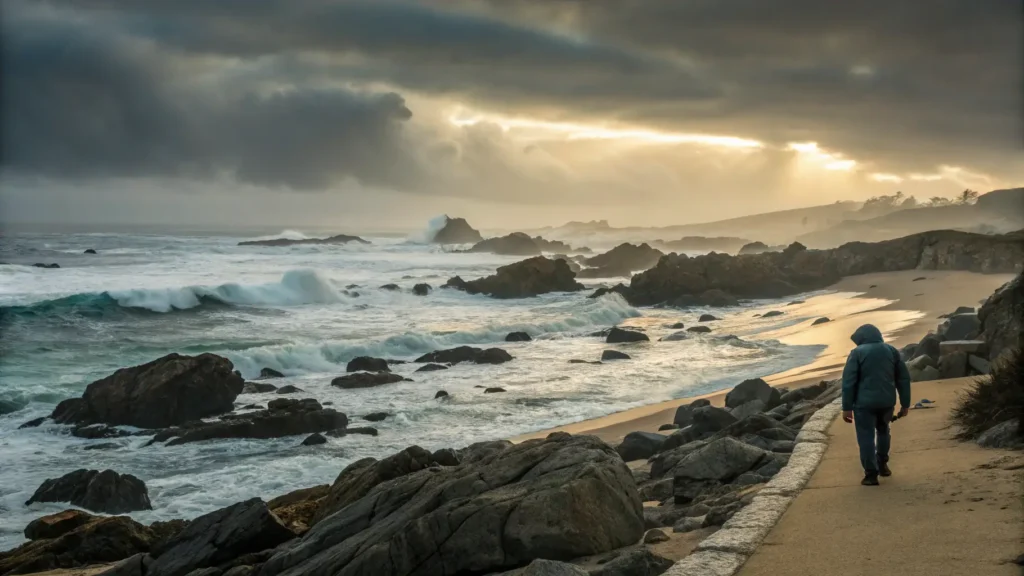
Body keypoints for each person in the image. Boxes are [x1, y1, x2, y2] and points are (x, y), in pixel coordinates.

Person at [840, 324, 911, 486]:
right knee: (883, 431)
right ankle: (883, 464)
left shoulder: (857, 353)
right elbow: (903, 379)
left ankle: (871, 474)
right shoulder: (891, 351)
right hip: (887, 402)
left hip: (864, 405)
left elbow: (848, 382)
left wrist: (846, 408)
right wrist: (905, 404)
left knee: (866, 437)